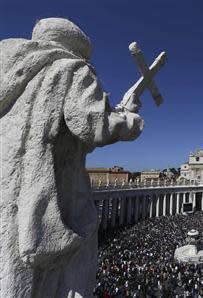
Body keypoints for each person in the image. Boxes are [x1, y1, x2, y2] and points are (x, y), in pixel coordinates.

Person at [0, 18, 144, 297]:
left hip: (6, 195)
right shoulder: (71, 67)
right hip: (49, 199)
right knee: (68, 275)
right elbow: (93, 126)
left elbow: (67, 138)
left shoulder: (12, 74)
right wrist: (131, 120)